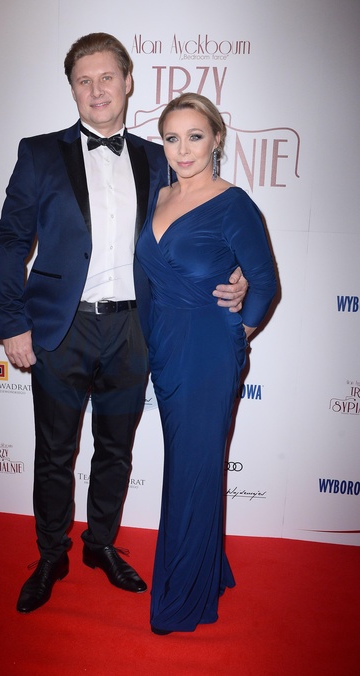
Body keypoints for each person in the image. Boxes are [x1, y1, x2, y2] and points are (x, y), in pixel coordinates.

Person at [0, 34, 248, 615]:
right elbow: (10, 241)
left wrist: (238, 276)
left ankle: (100, 544)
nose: (96, 89)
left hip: (134, 329)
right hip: (60, 330)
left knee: (116, 449)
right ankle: (51, 554)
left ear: (128, 81)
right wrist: (12, 320)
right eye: (83, 80)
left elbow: (203, 224)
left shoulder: (159, 157)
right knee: (55, 452)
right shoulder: (38, 154)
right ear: (72, 90)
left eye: (106, 76)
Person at [135, 93, 278, 634]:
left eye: (195, 136)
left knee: (192, 468)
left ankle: (184, 598)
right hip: (166, 349)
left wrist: (236, 333)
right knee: (188, 464)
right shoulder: (159, 195)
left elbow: (263, 282)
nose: (182, 149)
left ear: (216, 138)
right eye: (171, 138)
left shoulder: (233, 204)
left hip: (208, 353)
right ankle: (206, 568)